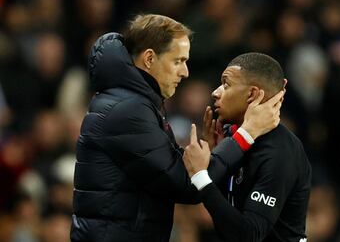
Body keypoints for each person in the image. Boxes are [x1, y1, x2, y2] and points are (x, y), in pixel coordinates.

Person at [70, 14, 284, 242]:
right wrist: (246, 134)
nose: (185, 72)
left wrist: (210, 153)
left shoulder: (132, 102)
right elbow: (187, 184)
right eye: (178, 61)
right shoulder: (128, 110)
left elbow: (171, 170)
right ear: (150, 59)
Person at [183, 53, 312, 242]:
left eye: (226, 85)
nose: (216, 92)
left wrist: (201, 177)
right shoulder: (231, 140)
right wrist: (216, 162)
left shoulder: (279, 151)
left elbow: (249, 234)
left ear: (251, 94)